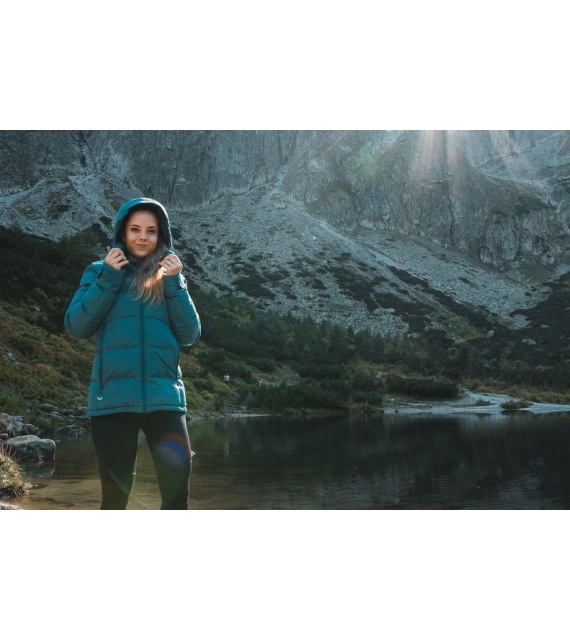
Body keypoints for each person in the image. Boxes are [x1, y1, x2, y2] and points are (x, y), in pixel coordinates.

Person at [65, 197, 201, 510]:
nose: (143, 237)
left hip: (165, 399)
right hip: (112, 401)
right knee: (115, 501)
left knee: (177, 497)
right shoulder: (98, 271)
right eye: (135, 229)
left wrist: (175, 284)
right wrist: (109, 278)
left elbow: (190, 335)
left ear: (161, 235)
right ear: (122, 233)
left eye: (151, 231)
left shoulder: (171, 277)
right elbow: (77, 326)